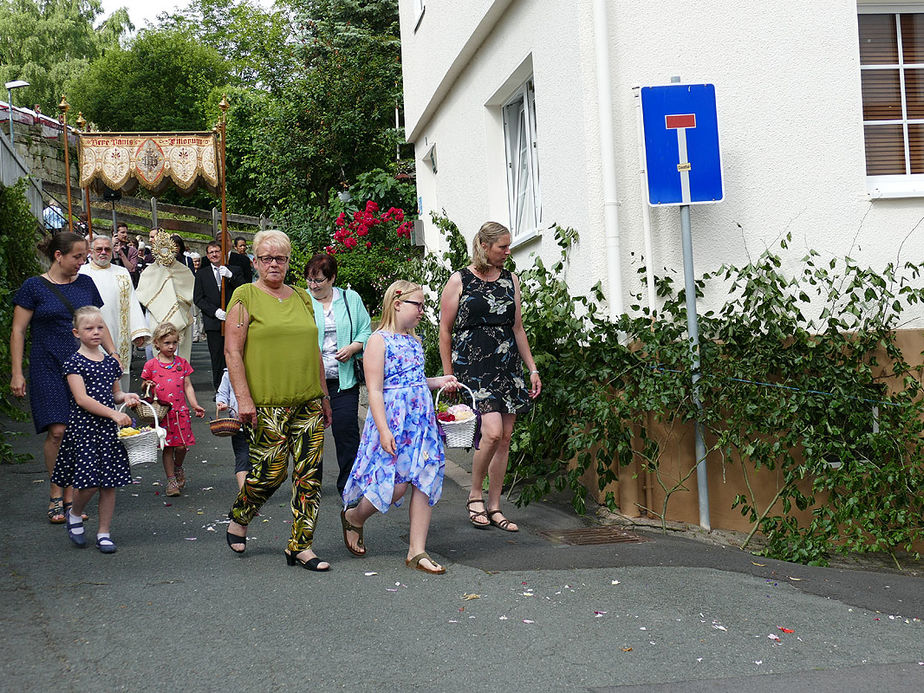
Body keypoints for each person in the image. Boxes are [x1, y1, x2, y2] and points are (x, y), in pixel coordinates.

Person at [223, 229, 332, 572]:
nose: (274, 264)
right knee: (270, 474)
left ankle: (301, 545)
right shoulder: (245, 296)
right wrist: (243, 399)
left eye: (280, 258)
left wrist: (325, 395)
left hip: (308, 401)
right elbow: (232, 350)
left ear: (288, 262)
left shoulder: (302, 296)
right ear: (254, 261)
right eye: (267, 258)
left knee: (310, 476)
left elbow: (313, 349)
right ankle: (240, 515)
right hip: (266, 403)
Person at [341, 280, 459, 574]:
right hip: (394, 422)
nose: (422, 311)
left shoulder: (415, 341)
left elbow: (415, 381)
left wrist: (438, 381)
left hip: (421, 422)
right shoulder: (378, 341)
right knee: (394, 488)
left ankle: (416, 550)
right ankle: (355, 516)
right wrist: (383, 430)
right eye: (417, 305)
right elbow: (376, 390)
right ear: (397, 303)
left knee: (425, 478)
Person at [438, 221, 542, 532]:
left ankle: (495, 506)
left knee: (506, 438)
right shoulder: (460, 280)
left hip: (507, 366)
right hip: (474, 365)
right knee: (493, 432)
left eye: (509, 246)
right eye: (503, 247)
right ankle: (474, 495)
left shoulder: (511, 280)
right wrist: (448, 375)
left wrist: (532, 368)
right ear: (484, 246)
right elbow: (444, 330)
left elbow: (518, 328)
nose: (508, 252)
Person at [11, 232, 117, 524]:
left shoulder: (85, 283)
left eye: (84, 257)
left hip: (83, 366)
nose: (82, 263)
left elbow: (98, 322)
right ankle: (56, 491)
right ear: (59, 256)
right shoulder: (34, 286)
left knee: (77, 430)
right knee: (57, 430)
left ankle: (72, 493)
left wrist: (112, 352)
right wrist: (17, 372)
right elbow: (18, 330)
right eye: (77, 257)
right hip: (47, 365)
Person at [52, 306, 140, 552]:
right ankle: (75, 513)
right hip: (84, 430)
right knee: (88, 483)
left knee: (109, 484)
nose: (95, 332)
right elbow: (82, 399)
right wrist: (113, 413)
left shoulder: (110, 363)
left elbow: (115, 393)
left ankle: (104, 532)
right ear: (76, 333)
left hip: (107, 431)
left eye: (100, 327)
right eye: (89, 328)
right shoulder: (74, 363)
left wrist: (126, 396)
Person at [305, 253, 372, 498]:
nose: (313, 285)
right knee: (312, 433)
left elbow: (366, 330)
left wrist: (354, 347)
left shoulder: (350, 298)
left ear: (332, 278)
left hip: (344, 378)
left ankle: (349, 484)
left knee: (346, 431)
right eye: (310, 280)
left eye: (318, 280)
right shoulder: (302, 300)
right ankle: (311, 484)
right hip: (311, 380)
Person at [79, 235, 151, 392]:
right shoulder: (82, 273)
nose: (103, 252)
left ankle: (120, 413)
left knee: (119, 380)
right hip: (89, 334)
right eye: (99, 249)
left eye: (107, 249)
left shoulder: (122, 273)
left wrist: (138, 331)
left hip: (118, 335)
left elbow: (132, 301)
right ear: (90, 251)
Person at [141, 322, 205, 497]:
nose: (171, 346)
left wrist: (194, 404)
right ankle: (171, 480)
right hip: (162, 413)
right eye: (167, 343)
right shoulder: (151, 365)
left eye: (174, 343)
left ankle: (178, 467)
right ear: (157, 344)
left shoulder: (182, 364)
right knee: (167, 447)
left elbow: (187, 386)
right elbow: (144, 385)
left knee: (182, 446)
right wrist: (147, 384)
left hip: (180, 411)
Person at [136, 230, 196, 362]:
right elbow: (142, 293)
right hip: (155, 317)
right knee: (156, 351)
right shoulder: (149, 271)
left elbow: (190, 292)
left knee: (179, 353)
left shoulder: (184, 270)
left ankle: (180, 378)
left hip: (180, 316)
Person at [194, 241, 244, 389]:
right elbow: (198, 298)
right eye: (211, 252)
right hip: (213, 323)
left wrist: (231, 276)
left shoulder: (235, 270)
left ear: (222, 253)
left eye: (217, 251)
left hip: (233, 320)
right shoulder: (202, 274)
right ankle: (219, 389)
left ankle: (236, 388)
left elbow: (244, 289)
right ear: (207, 256)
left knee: (234, 355)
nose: (214, 254)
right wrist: (214, 312)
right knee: (217, 357)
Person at [216, 368, 250, 489]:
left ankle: (253, 492)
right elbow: (222, 393)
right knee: (242, 457)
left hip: (262, 422)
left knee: (260, 460)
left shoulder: (260, 368)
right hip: (238, 425)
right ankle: (244, 495)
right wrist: (221, 403)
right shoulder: (229, 372)